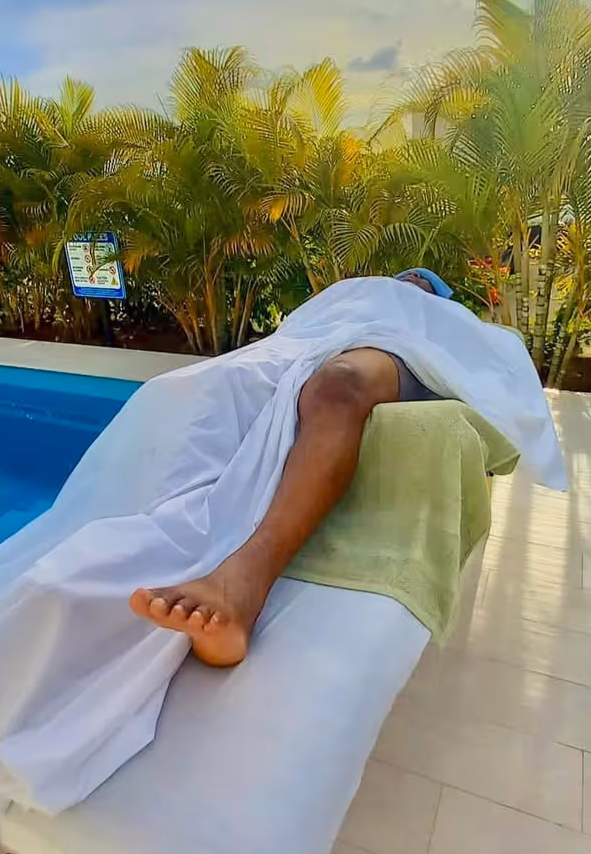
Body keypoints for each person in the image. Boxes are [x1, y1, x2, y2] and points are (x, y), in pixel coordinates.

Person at [129, 268, 457, 667]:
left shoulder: (441, 320)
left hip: (390, 351)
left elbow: (474, 362)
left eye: (424, 286)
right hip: (314, 344)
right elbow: (302, 326)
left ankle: (243, 586)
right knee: (219, 381)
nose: (411, 286)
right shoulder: (354, 295)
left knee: (341, 383)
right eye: (406, 281)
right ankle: (162, 531)